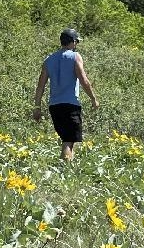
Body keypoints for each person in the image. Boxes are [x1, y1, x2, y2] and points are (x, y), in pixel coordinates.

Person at [32, 28, 98, 161]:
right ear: (73, 42)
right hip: (70, 104)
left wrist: (37, 107)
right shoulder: (75, 56)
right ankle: (65, 171)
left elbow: (40, 86)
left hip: (54, 106)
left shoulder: (49, 60)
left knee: (66, 140)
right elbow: (84, 80)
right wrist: (93, 99)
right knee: (69, 141)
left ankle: (67, 169)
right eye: (76, 42)